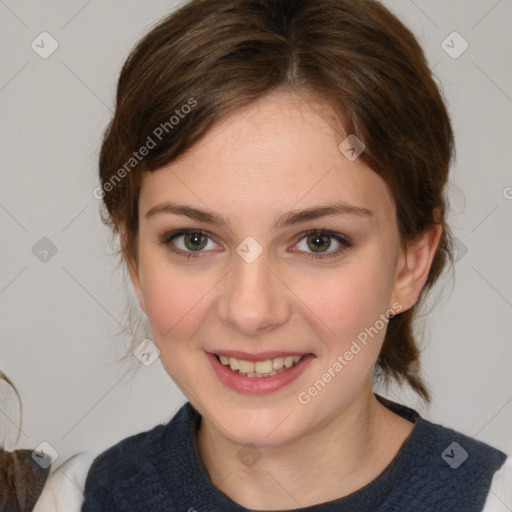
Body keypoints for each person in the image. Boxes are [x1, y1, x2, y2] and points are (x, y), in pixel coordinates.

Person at [79, 0, 511, 510]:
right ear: (135, 262)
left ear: (409, 263)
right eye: (194, 240)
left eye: (318, 241)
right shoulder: (78, 497)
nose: (250, 310)